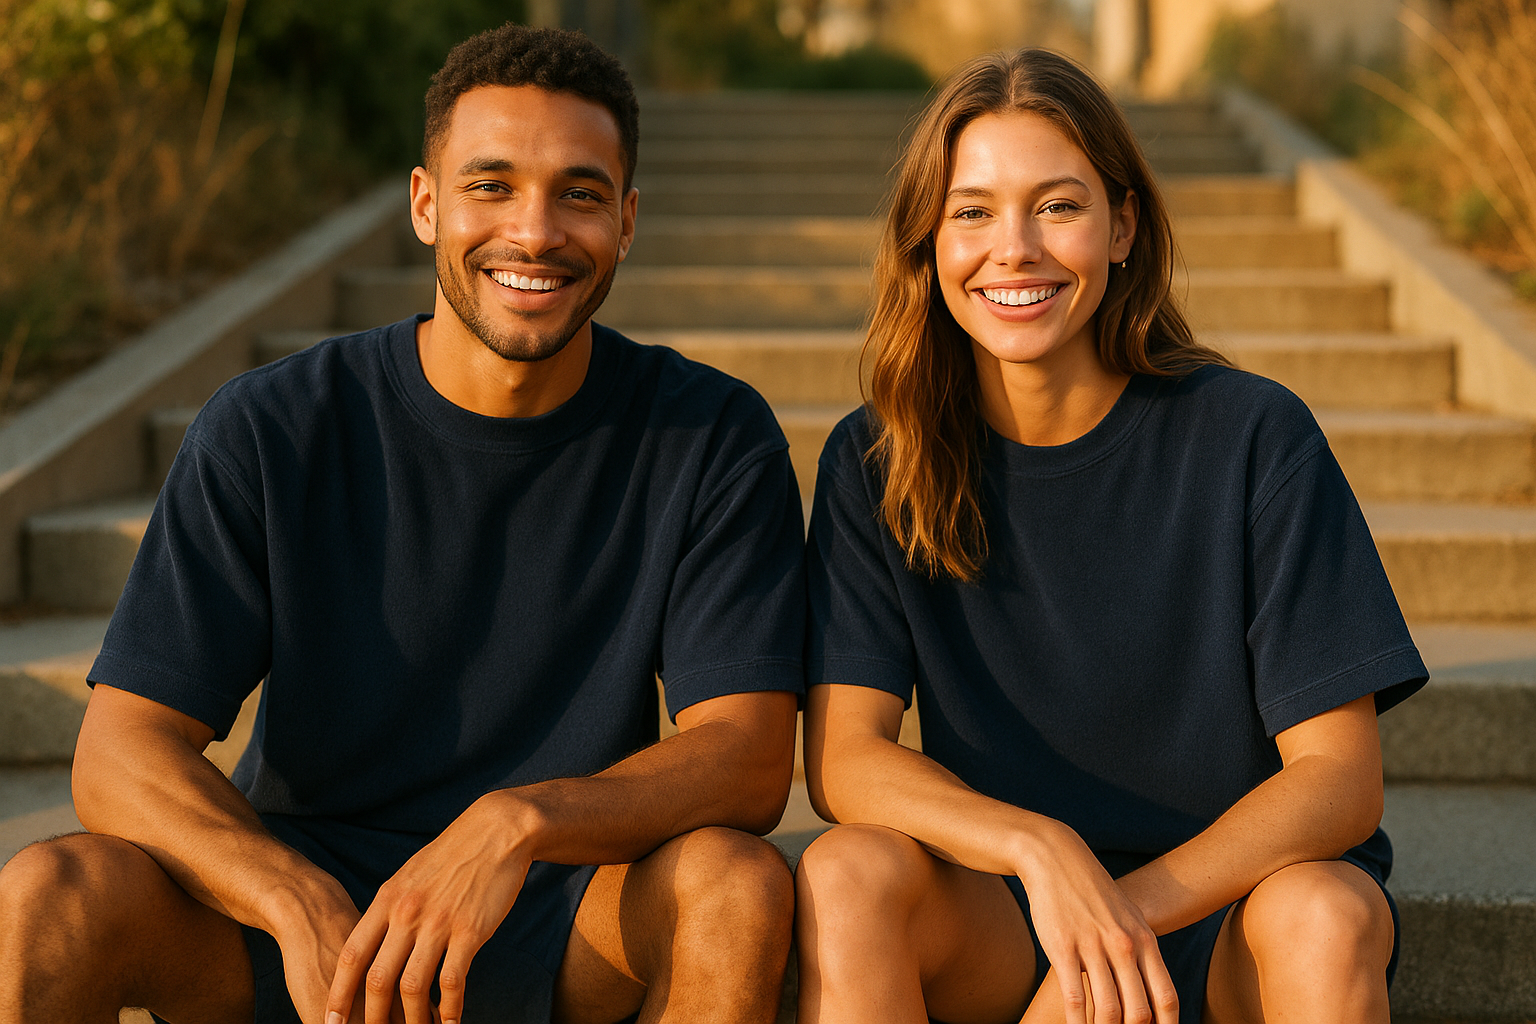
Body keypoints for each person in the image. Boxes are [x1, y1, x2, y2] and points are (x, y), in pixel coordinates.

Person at [0, 24, 805, 1024]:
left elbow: (749, 755)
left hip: (563, 905)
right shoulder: (274, 426)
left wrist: (515, 822)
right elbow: (120, 753)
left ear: (628, 221)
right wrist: (290, 897)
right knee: (50, 895)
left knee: (735, 884)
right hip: (311, 899)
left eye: (581, 194)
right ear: (426, 205)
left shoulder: (710, 434)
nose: (536, 230)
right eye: (491, 185)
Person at [795, 48, 1427, 1024]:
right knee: (845, 870)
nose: (1014, 248)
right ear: (927, 239)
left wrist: (1115, 922)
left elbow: (1340, 782)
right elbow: (845, 759)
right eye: (972, 211)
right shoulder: (877, 459)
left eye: (1058, 205)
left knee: (1327, 913)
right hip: (1014, 913)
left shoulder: (1252, 436)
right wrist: (1037, 849)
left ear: (1123, 226)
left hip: (1231, 908)